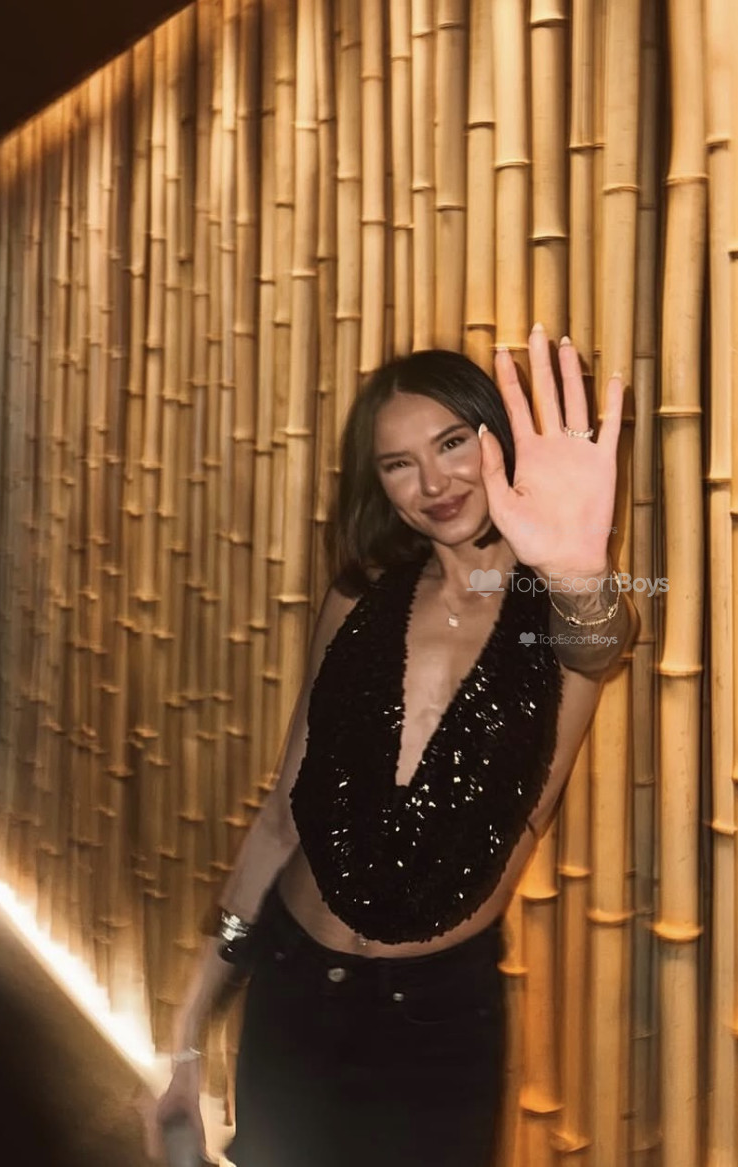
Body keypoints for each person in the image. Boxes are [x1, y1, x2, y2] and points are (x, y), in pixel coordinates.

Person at [142, 324, 637, 1166]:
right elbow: (282, 811)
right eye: (399, 463)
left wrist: (578, 571)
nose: (433, 483)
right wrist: (187, 1036)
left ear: (496, 441)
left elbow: (600, 643)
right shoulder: (359, 596)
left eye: (452, 443)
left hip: (435, 1020)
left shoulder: (557, 613)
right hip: (294, 980)